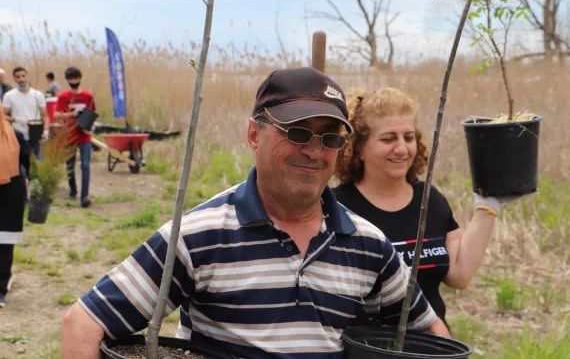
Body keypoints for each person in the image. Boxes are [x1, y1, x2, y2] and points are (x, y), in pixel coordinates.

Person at [61, 67, 450, 359]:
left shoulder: (368, 245)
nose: (314, 151)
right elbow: (83, 323)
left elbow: (428, 328)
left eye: (330, 137)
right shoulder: (200, 235)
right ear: (253, 135)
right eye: (297, 132)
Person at [332, 87, 530, 330]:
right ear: (358, 148)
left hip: (433, 346)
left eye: (409, 137)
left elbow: (458, 274)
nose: (402, 148)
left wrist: (487, 207)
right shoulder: (337, 207)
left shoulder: (430, 199)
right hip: (369, 349)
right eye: (388, 138)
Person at [0, 99, 29, 308]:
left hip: (10, 193)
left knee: (4, 242)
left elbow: (27, 163)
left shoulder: (15, 136)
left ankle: (1, 286)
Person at [54, 66, 96, 208]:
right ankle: (73, 190)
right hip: (69, 135)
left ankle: (85, 196)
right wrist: (70, 115)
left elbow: (93, 113)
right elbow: (56, 115)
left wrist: (88, 126)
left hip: (84, 135)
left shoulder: (88, 96)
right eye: (71, 79)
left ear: (80, 78)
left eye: (76, 78)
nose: (74, 81)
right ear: (67, 80)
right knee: (70, 166)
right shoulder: (63, 97)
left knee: (85, 165)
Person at [2, 66, 50, 160]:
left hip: (35, 135)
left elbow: (45, 115)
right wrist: (15, 119)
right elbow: (3, 115)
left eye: (23, 76)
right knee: (21, 168)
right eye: (18, 77)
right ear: (14, 79)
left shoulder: (38, 95)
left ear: (28, 77)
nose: (21, 79)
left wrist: (46, 131)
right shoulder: (9, 96)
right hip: (18, 136)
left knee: (37, 164)